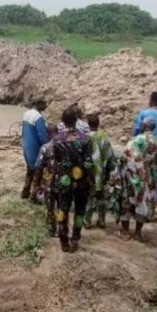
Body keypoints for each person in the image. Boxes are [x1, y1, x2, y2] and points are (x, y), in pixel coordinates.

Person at [111, 117, 157, 242]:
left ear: (143, 126)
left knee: (127, 203)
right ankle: (138, 233)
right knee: (144, 204)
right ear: (153, 128)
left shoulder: (133, 141)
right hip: (150, 179)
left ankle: (125, 232)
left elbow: (125, 160)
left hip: (133, 179)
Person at [53, 107, 94, 252]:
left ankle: (64, 242)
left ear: (63, 121)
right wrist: (92, 181)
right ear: (76, 120)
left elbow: (57, 162)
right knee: (80, 211)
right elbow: (89, 163)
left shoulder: (57, 140)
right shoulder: (86, 139)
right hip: (81, 182)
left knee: (63, 210)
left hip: (64, 182)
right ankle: (75, 238)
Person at [84, 114, 115, 230]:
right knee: (101, 197)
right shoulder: (104, 137)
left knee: (89, 197)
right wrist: (109, 171)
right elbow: (110, 156)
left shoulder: (86, 137)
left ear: (88, 125)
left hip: (90, 174)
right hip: (102, 174)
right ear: (98, 124)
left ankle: (87, 221)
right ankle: (102, 220)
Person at [34, 124, 60, 237]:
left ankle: (51, 230)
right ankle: (61, 230)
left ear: (48, 134)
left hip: (49, 183)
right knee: (62, 207)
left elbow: (39, 168)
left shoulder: (45, 148)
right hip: (63, 183)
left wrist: (37, 185)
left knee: (50, 207)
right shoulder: (66, 146)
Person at [21, 99, 49, 200]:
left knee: (29, 171)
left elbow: (23, 132)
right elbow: (42, 137)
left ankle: (25, 192)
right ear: (39, 104)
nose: (46, 106)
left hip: (26, 147)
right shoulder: (38, 118)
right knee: (38, 173)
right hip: (35, 149)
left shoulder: (26, 113)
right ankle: (33, 196)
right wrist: (48, 146)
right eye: (44, 104)